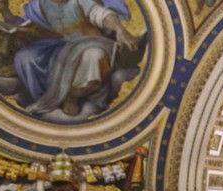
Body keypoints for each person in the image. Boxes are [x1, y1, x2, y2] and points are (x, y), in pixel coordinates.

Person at [13, 0, 142, 118]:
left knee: (94, 55)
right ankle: (45, 97)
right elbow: (25, 23)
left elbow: (101, 14)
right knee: (25, 57)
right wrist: (5, 12)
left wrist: (119, 29)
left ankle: (73, 96)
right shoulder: (40, 4)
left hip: (92, 42)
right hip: (63, 44)